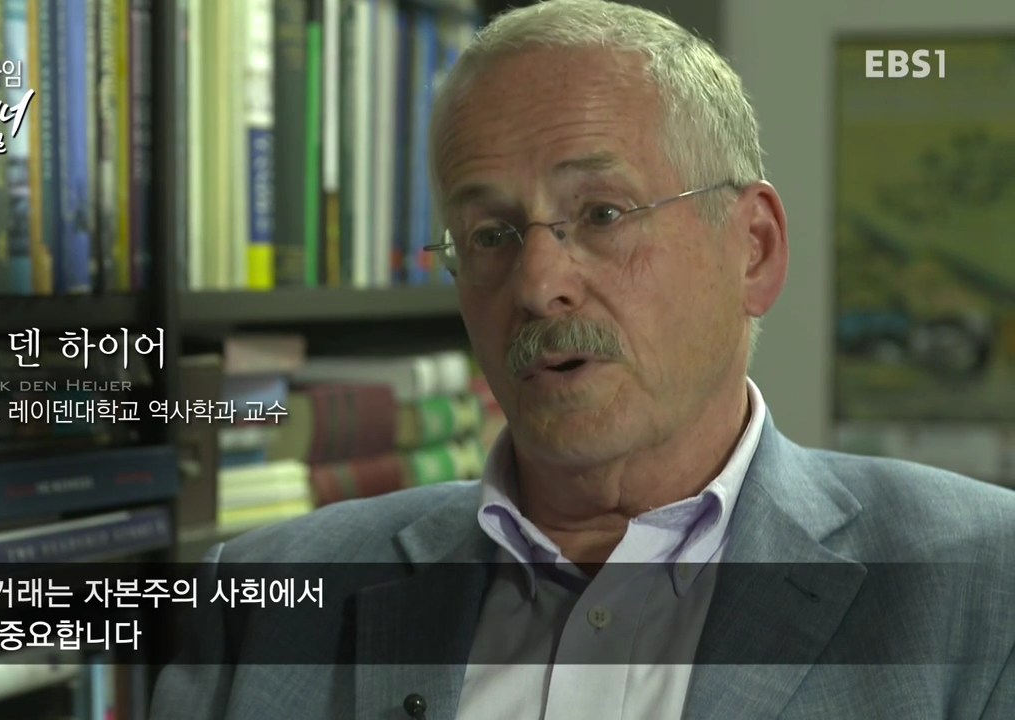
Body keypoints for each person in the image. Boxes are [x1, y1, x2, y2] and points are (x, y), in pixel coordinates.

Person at [152, 1, 1015, 717]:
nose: (538, 285)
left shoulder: (981, 586)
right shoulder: (263, 605)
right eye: (490, 235)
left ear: (752, 250)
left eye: (603, 215)